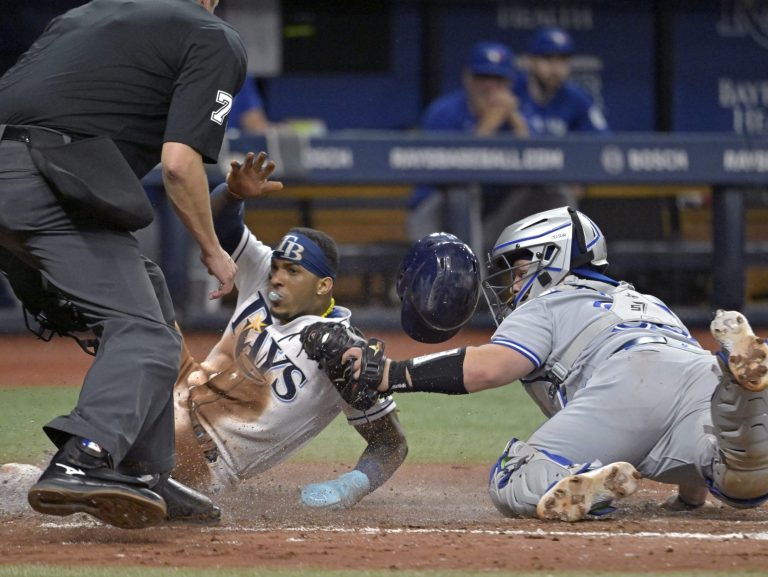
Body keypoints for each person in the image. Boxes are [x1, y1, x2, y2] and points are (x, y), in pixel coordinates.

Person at [340, 206, 768, 522]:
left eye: (518, 267)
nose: (511, 284)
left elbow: (490, 367)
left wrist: (393, 374)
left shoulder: (550, 301)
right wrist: (689, 497)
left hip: (623, 380)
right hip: (700, 372)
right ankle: (741, 422)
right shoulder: (646, 301)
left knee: (512, 481)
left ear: (553, 257)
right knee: (734, 480)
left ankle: (592, 485)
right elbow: (669, 387)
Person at [0, 0, 247, 529]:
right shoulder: (212, 36)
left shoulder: (83, 14)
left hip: (19, 174)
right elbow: (180, 165)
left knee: (149, 297)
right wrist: (211, 248)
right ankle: (84, 456)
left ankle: (144, 471)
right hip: (43, 178)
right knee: (145, 332)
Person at [169, 172, 408, 511]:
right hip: (176, 391)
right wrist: (232, 194)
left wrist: (348, 486)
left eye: (293, 272)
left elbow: (390, 444)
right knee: (145, 293)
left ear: (323, 286)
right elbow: (213, 225)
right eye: (277, 268)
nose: (277, 278)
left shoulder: (344, 351)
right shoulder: (263, 276)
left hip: (205, 459)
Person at [406, 41, 566, 256]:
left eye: (499, 79)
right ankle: (469, 284)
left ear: (510, 83)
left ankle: (557, 280)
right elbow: (457, 172)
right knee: (463, 194)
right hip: (438, 216)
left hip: (496, 216)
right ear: (467, 78)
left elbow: (539, 163)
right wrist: (490, 122)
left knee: (553, 193)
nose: (491, 86)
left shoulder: (519, 114)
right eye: (483, 77)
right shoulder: (443, 112)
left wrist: (514, 120)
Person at [516, 26, 609, 136]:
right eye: (547, 58)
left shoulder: (577, 98)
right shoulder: (513, 92)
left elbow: (604, 142)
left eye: (563, 60)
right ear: (531, 61)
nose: (556, 68)